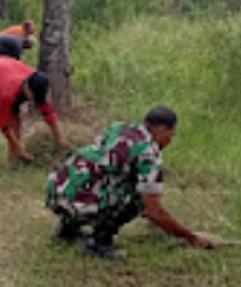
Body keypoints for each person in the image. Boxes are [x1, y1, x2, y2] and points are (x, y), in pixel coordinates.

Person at [46, 106, 216, 260]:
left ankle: (67, 230)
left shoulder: (120, 127)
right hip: (79, 203)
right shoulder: (148, 155)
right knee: (137, 199)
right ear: (162, 130)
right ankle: (99, 243)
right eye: (171, 135)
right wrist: (190, 237)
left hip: (57, 192)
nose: (170, 141)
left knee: (99, 182)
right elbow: (154, 210)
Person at [0, 56, 69, 179]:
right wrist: (19, 148)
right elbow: (3, 125)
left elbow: (49, 114)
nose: (35, 101)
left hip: (6, 73)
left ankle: (13, 159)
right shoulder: (7, 93)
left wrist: (60, 138)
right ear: (27, 89)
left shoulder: (38, 83)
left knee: (16, 118)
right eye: (33, 97)